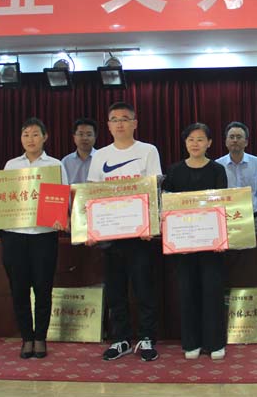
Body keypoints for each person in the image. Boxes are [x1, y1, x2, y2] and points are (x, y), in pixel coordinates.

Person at [0, 117, 68, 360]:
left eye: (35, 134)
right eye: (26, 134)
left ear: (45, 137)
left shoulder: (55, 165)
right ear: (21, 138)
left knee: (43, 288)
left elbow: (63, 196)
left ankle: (40, 338)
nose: (30, 139)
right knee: (18, 289)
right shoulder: (11, 165)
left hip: (44, 235)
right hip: (14, 236)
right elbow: (0, 199)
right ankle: (26, 338)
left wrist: (61, 215)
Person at [87, 102, 162, 362]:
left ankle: (147, 338)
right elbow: (93, 195)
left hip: (140, 235)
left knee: (144, 289)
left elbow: (154, 189)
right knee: (115, 291)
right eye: (114, 119)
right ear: (108, 126)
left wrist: (151, 224)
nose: (120, 123)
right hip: (110, 236)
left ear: (134, 123)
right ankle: (120, 339)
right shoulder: (100, 156)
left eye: (125, 118)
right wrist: (91, 230)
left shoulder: (148, 151)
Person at [163, 123, 229, 360]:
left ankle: (215, 342)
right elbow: (166, 205)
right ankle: (191, 342)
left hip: (212, 244)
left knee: (212, 291)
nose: (195, 143)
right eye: (191, 139)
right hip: (183, 245)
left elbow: (223, 204)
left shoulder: (218, 170)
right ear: (185, 143)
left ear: (209, 143)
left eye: (200, 139)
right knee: (187, 291)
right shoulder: (174, 171)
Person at [216, 121, 257, 234]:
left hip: (253, 219)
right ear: (226, 142)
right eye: (231, 137)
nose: (235, 140)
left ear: (246, 142)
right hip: (227, 220)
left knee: (256, 246)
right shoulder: (218, 165)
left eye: (239, 137)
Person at [62, 118, 98, 184]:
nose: (85, 138)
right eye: (81, 134)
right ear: (74, 137)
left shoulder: (101, 158)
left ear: (95, 137)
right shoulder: (66, 161)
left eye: (89, 135)